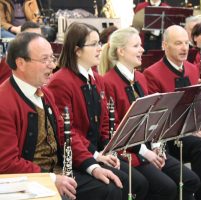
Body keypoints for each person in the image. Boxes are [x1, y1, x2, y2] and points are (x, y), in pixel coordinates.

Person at [0, 32, 124, 200]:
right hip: (28, 182)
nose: (52, 65)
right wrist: (51, 179)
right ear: (20, 63)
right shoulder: (4, 102)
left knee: (112, 187)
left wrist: (92, 166)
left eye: (52, 58)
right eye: (45, 60)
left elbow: (65, 134)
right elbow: (6, 163)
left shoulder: (45, 93)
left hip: (56, 173)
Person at [47, 22, 148, 200]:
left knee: (138, 182)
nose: (99, 49)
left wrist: (108, 151)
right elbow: (68, 132)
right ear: (77, 50)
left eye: (99, 43)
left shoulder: (96, 80)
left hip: (96, 151)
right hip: (74, 157)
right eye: (93, 44)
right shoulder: (61, 81)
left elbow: (102, 124)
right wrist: (95, 155)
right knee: (121, 185)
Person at [101, 26, 200, 200]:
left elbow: (153, 116)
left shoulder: (139, 77)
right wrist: (144, 151)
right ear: (121, 51)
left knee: (191, 180)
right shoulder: (108, 82)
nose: (142, 49)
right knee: (167, 188)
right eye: (136, 46)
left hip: (148, 147)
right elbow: (115, 128)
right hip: (128, 152)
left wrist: (156, 146)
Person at [143, 25, 201, 200]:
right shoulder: (151, 73)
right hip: (169, 136)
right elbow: (158, 116)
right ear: (164, 45)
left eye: (186, 43)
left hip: (192, 128)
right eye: (178, 43)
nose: (184, 48)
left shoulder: (192, 68)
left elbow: (195, 105)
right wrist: (190, 128)